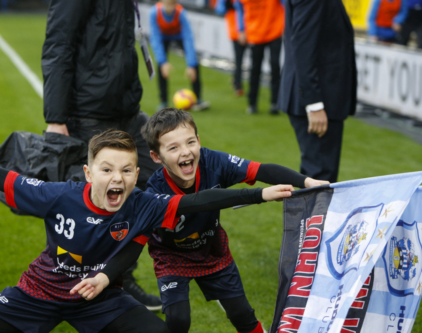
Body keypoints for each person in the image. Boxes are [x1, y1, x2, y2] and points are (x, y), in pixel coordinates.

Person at [0, 130, 294, 333]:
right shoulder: (60, 197)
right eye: (107, 169)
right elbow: (11, 180)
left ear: (137, 174)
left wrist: (260, 194)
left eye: (127, 170)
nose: (117, 178)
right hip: (39, 291)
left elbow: (200, 202)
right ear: (88, 174)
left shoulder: (144, 203)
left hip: (98, 300)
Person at [74, 109, 328, 333]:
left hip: (213, 251)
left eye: (190, 142)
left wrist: (306, 182)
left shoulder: (213, 161)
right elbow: (136, 244)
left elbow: (262, 170)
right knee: (178, 321)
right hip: (171, 258)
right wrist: (105, 276)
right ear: (156, 157)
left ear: (199, 142)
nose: (185, 152)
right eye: (173, 148)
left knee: (242, 314)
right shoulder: (154, 193)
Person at [41, 0, 161, 309]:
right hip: (89, 113)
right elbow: (59, 44)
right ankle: (65, 283)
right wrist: (56, 119)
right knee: (85, 205)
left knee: (151, 180)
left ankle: (120, 277)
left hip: (128, 110)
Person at [278, 0, 357, 183]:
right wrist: (313, 105)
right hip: (318, 101)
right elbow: (303, 46)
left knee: (317, 179)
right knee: (319, 180)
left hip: (321, 98)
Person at [149, 0, 210, 111]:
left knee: (195, 63)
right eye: (168, 4)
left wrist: (191, 64)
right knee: (161, 67)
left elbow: (188, 38)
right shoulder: (154, 12)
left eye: (173, 4)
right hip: (163, 38)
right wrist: (163, 62)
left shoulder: (181, 12)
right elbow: (155, 38)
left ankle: (198, 99)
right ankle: (163, 102)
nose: (170, 7)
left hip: (179, 36)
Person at [234, 0, 284, 115]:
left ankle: (275, 103)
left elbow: (286, 5)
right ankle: (252, 104)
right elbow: (239, 9)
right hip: (255, 33)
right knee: (255, 69)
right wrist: (241, 30)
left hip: (274, 30)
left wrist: (285, 25)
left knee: (275, 66)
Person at [215, 0, 247, 96]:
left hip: (250, 30)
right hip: (235, 32)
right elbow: (219, 9)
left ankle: (237, 81)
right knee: (239, 59)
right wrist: (227, 5)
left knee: (247, 59)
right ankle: (238, 85)